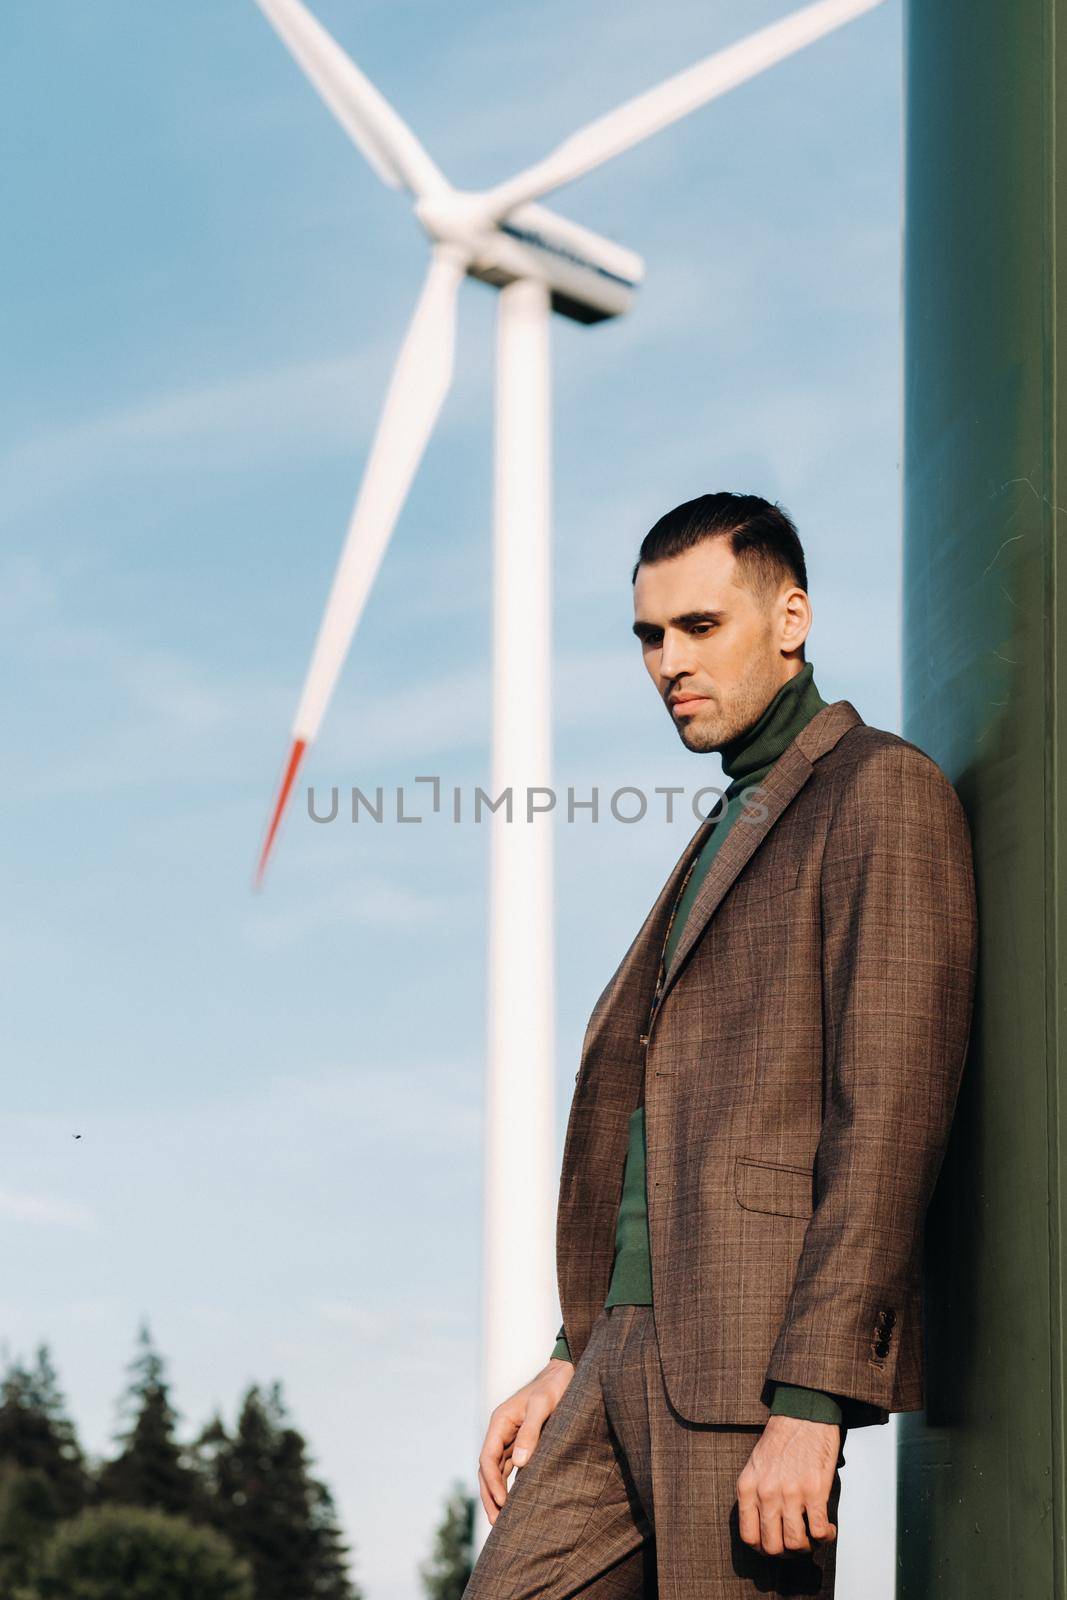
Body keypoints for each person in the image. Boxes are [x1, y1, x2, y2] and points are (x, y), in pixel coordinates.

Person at [463, 492, 978, 1600]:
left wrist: (811, 1401)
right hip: (616, 1351)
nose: (665, 662)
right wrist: (568, 1354)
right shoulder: (731, 818)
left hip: (752, 1362)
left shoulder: (877, 790)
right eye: (649, 635)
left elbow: (885, 1118)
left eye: (699, 626)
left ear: (788, 616)